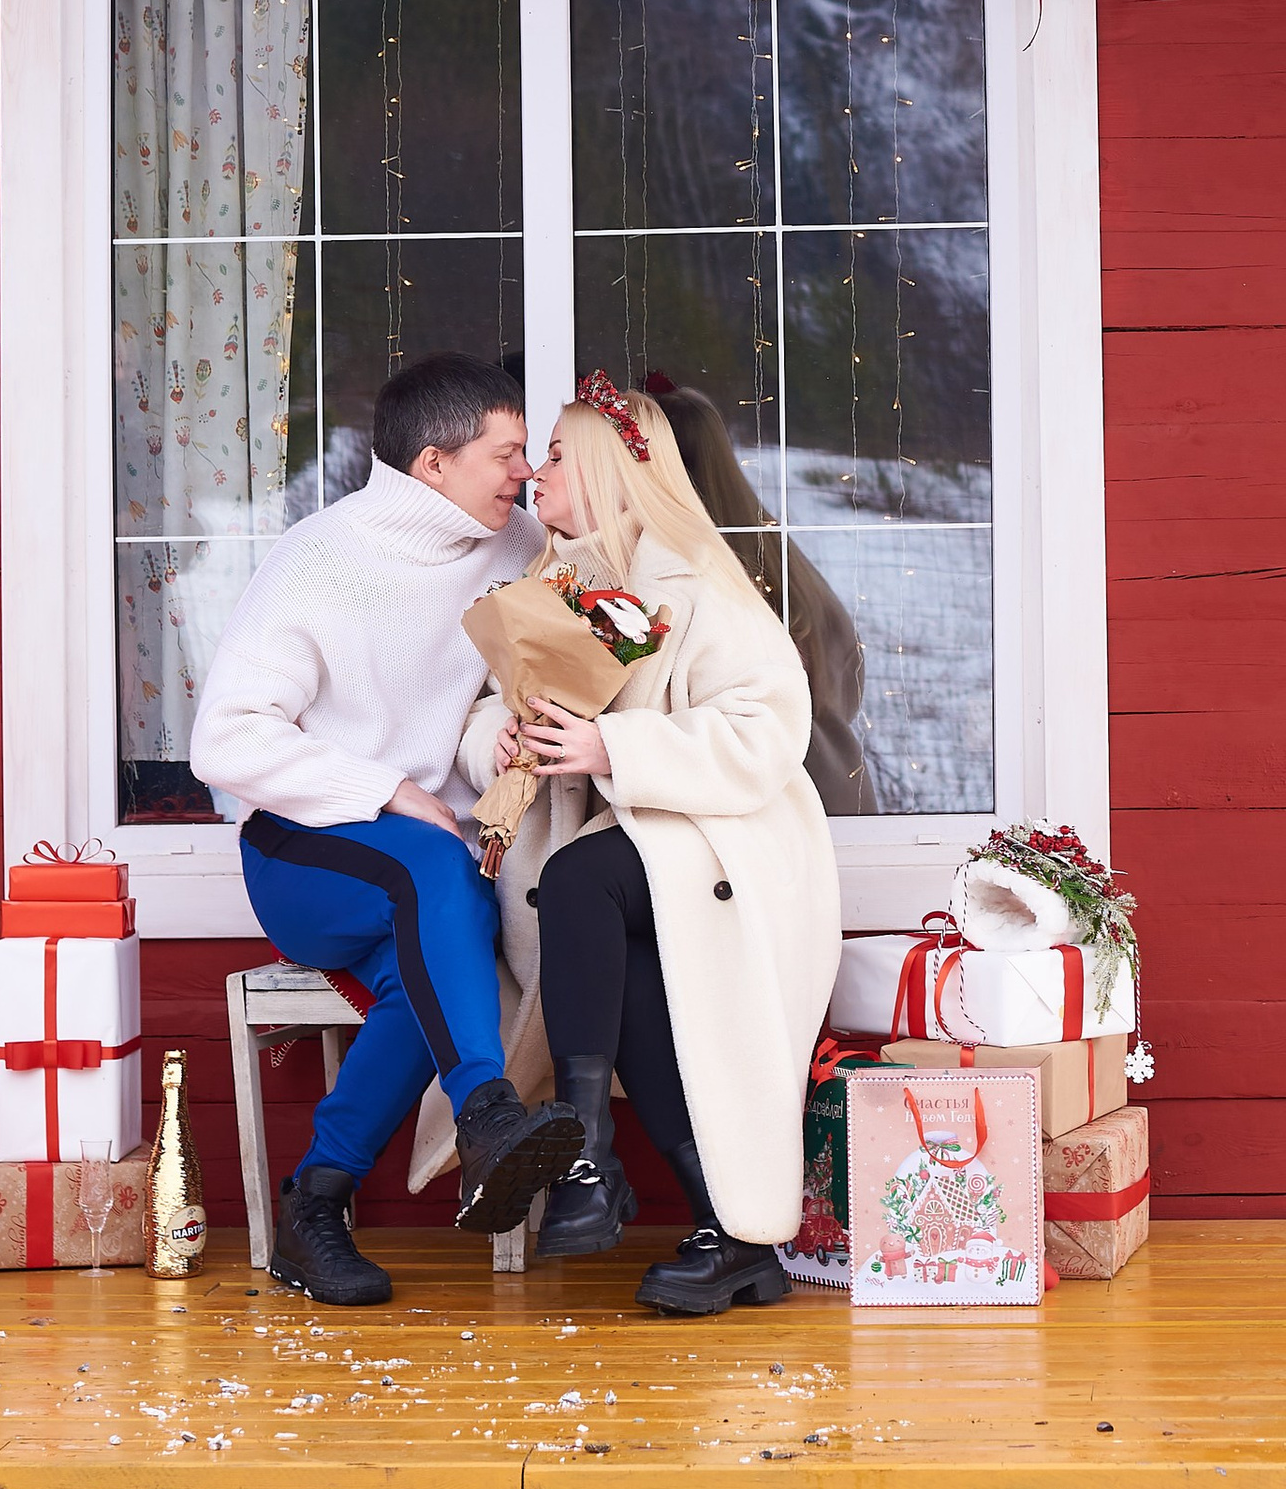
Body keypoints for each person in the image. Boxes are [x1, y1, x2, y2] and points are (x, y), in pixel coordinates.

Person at [189, 351, 583, 1307]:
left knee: (430, 974)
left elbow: (502, 688)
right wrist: (383, 788)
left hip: (433, 860)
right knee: (433, 871)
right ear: (434, 464)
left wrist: (504, 740)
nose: (524, 472)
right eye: (506, 452)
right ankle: (488, 1110)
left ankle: (313, 1201)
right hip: (305, 847)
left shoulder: (514, 544)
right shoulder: (318, 558)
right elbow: (225, 741)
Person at [460, 372, 842, 1313]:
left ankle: (590, 1160)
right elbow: (482, 714)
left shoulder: (691, 577)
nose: (538, 472)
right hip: (650, 845)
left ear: (601, 469)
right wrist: (499, 741)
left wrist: (610, 745)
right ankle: (729, 1233)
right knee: (616, 970)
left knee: (581, 879)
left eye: (555, 453)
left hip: (730, 846)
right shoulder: (565, 585)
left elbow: (768, 725)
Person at [641, 377, 878, 816]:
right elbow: (850, 676)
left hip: (783, 802)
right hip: (835, 784)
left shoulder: (692, 567)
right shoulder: (774, 550)